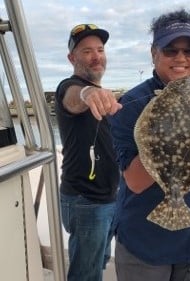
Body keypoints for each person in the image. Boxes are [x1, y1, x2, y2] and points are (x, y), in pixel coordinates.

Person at [109, 8, 190, 281]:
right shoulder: (131, 103)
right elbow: (134, 181)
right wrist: (164, 134)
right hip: (145, 243)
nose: (181, 58)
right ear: (154, 53)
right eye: (170, 50)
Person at [55, 23, 122, 281]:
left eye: (100, 49)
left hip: (108, 197)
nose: (96, 56)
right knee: (86, 273)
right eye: (87, 51)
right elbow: (75, 97)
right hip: (86, 200)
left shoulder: (106, 98)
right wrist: (89, 93)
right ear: (72, 58)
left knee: (100, 261)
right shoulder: (68, 87)